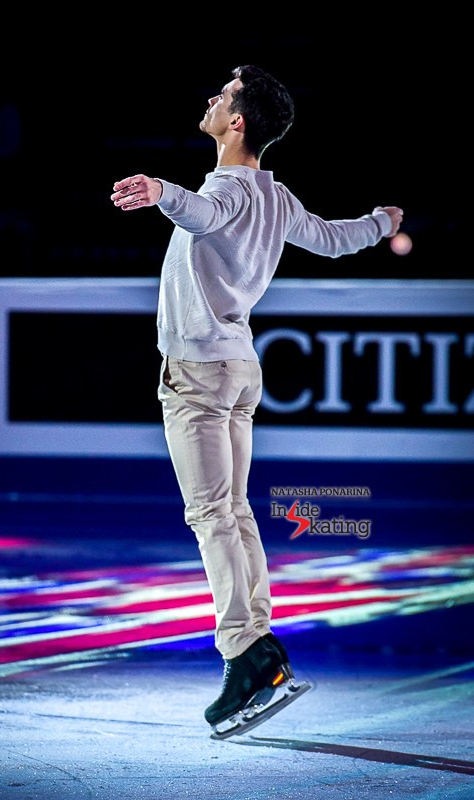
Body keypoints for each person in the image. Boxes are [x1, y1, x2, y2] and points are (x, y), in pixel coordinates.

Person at [110, 64, 403, 737]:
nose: (211, 99)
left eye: (223, 96)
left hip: (200, 374)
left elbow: (203, 212)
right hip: (239, 369)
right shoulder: (277, 197)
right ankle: (261, 645)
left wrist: (160, 189)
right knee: (234, 511)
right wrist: (382, 221)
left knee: (211, 515)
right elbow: (334, 239)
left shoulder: (227, 189)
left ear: (237, 122)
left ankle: (243, 653)